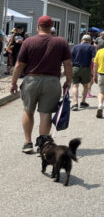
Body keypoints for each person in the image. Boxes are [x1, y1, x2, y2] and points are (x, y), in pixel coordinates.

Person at [9, 16, 72, 154]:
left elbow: (19, 64)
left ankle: (27, 143)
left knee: (28, 111)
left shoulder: (28, 42)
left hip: (31, 80)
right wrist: (68, 80)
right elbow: (68, 63)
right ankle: (43, 145)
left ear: (38, 26)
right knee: (46, 114)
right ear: (51, 27)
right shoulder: (61, 42)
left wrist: (13, 82)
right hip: (52, 81)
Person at [70, 34, 95, 111]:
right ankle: (83, 102)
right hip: (86, 68)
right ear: (90, 41)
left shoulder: (75, 47)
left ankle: (75, 103)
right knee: (85, 86)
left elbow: (70, 59)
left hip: (75, 68)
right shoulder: (91, 47)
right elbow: (93, 60)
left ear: (82, 40)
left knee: (75, 86)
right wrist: (93, 71)